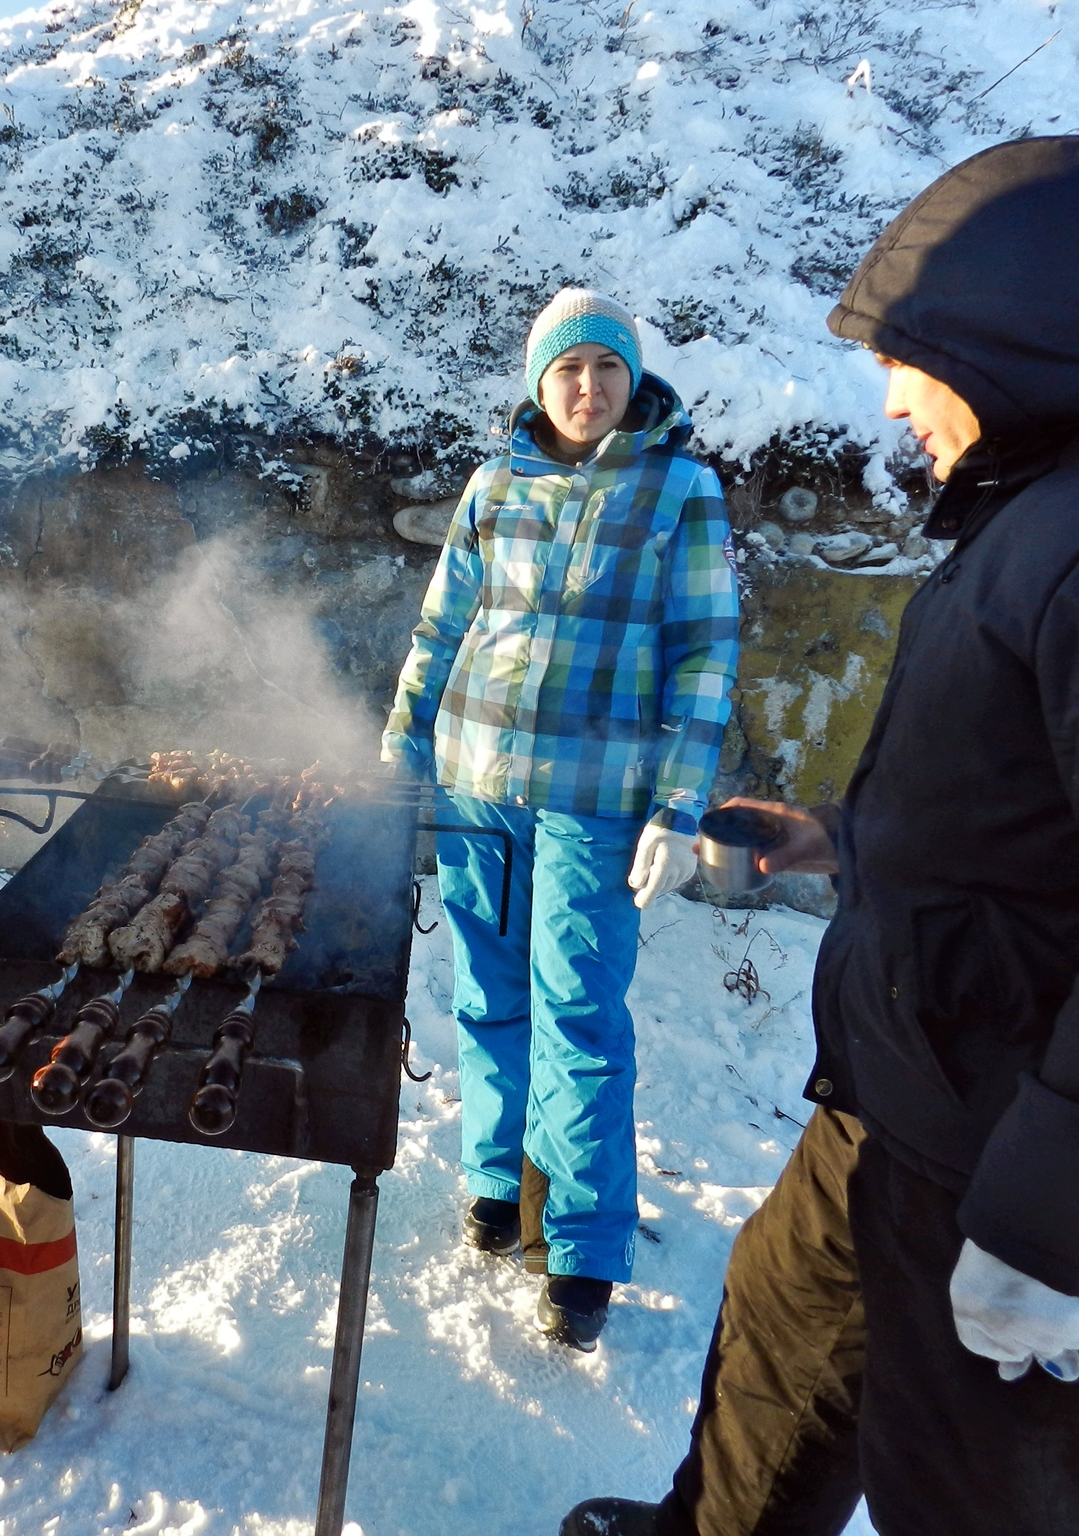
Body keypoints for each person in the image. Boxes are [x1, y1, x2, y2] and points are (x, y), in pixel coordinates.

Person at [563, 136, 1079, 1536]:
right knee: (783, 1349)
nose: (890, 401)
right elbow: (1043, 807)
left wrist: (1053, 1237)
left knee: (995, 1492)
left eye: (909, 354)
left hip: (1022, 1160)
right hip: (912, 1090)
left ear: (1021, 330)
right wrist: (839, 837)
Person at [383, 288, 740, 1350]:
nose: (585, 389)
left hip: (595, 801)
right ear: (539, 383)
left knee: (577, 1016)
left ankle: (581, 1244)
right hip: (475, 785)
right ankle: (498, 1179)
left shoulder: (679, 490)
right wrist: (400, 753)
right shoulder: (494, 484)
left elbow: (704, 656)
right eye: (566, 369)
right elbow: (442, 623)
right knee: (489, 1001)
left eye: (605, 369)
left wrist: (678, 808)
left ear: (633, 382)